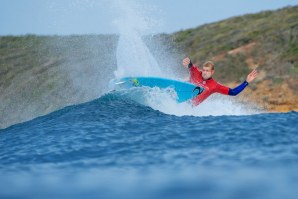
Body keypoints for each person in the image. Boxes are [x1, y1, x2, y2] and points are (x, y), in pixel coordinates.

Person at [182, 57, 258, 105]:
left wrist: (246, 82)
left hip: (190, 105)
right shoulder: (196, 72)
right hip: (182, 94)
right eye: (204, 70)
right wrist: (188, 61)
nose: (204, 72)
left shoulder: (215, 86)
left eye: (207, 71)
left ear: (212, 72)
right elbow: (191, 66)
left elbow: (233, 92)